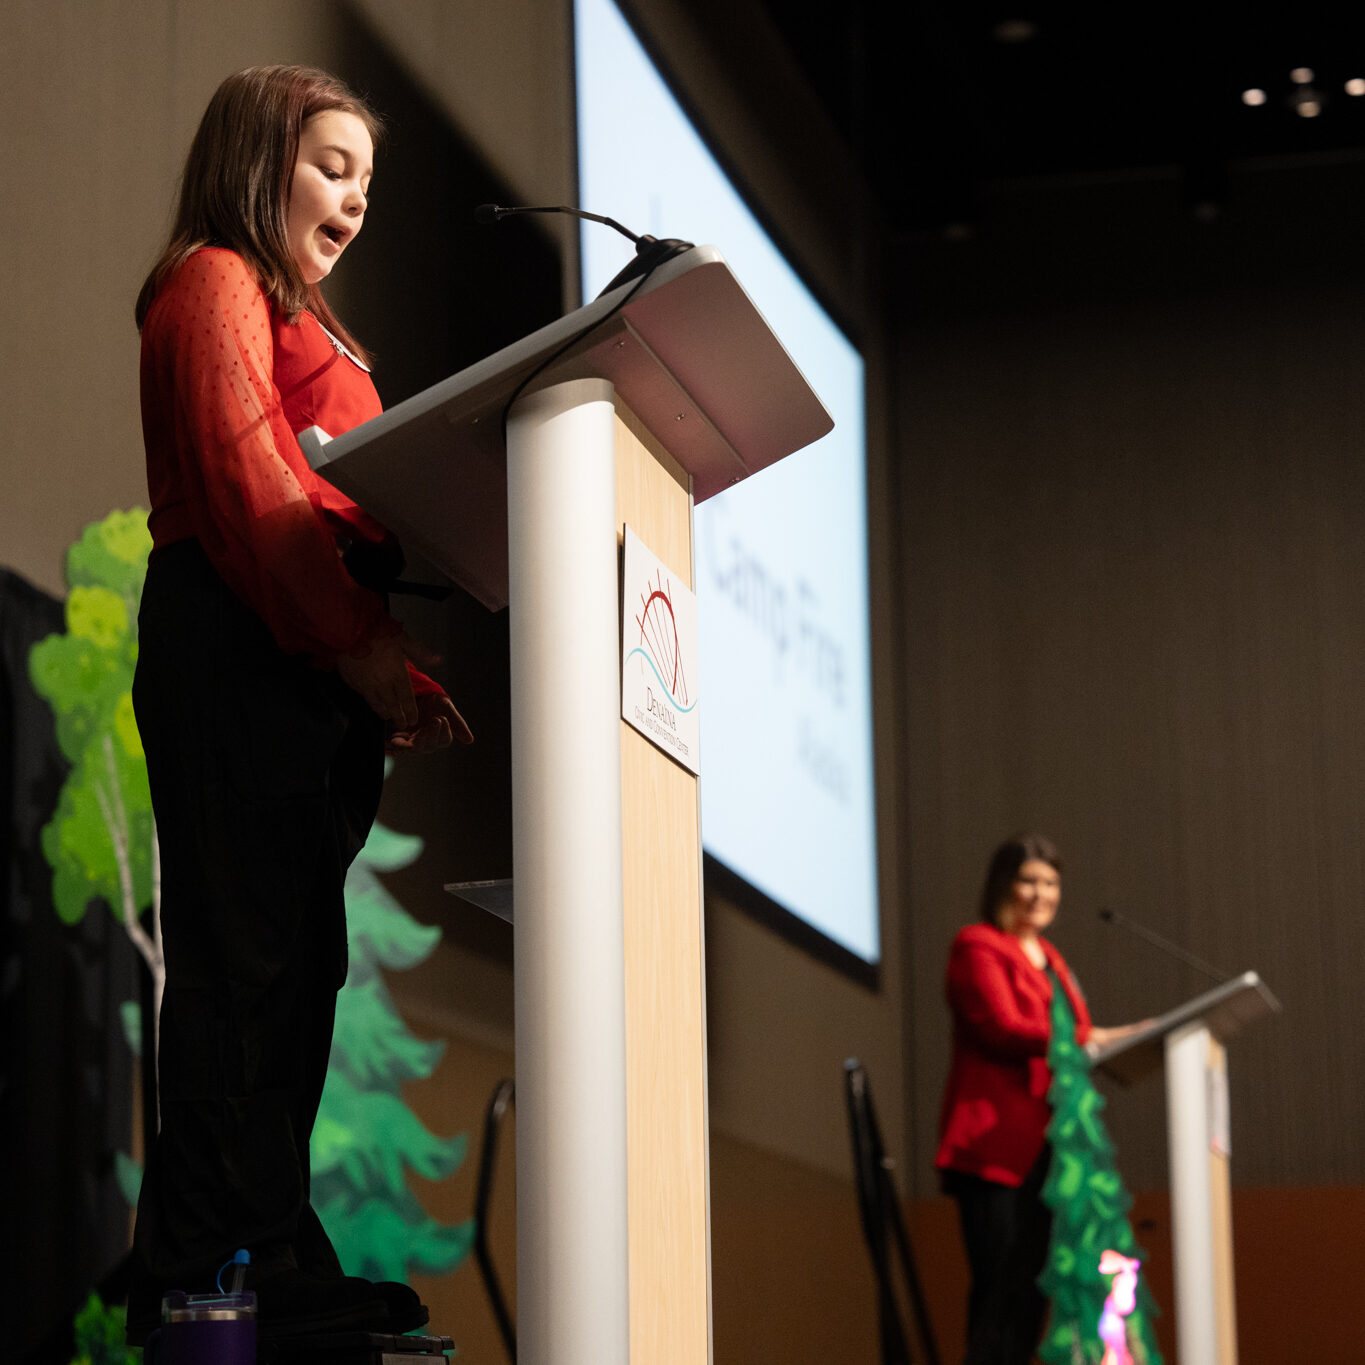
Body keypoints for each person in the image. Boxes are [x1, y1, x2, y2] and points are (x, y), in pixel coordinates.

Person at [126, 65, 471, 1344]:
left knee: (290, 970)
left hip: (298, 656)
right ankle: (224, 1258)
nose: (357, 200)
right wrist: (363, 643)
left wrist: (372, 655)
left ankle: (262, 1243)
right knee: (244, 967)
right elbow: (257, 492)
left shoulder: (290, 304)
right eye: (333, 166)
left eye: (369, 183)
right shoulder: (215, 277)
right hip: (240, 638)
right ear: (255, 160)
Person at [935, 834, 1143, 1365]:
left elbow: (1079, 1031)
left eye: (1050, 883)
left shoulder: (1050, 957)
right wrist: (1094, 1039)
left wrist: (1119, 1037)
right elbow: (1003, 1027)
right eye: (1028, 880)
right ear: (1003, 884)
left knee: (1032, 1294)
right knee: (998, 1293)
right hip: (994, 1147)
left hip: (1049, 1152)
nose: (1039, 893)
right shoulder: (977, 945)